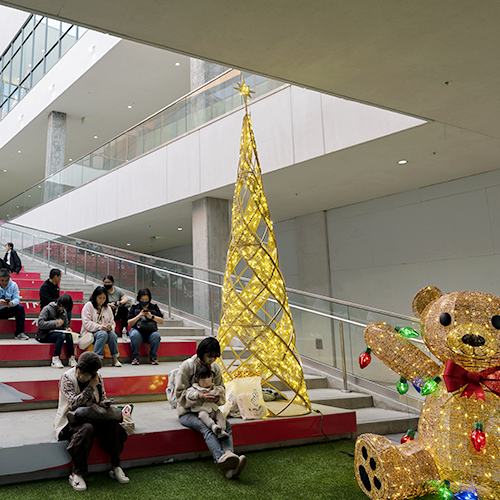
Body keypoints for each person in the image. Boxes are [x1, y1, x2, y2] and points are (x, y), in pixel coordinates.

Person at [53, 351, 130, 491]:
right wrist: (90, 387)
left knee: (115, 428)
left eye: (86, 374)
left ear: (93, 373)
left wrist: (104, 404)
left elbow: (101, 398)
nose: (80, 376)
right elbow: (72, 404)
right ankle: (76, 473)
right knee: (86, 429)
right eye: (79, 371)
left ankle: (115, 467)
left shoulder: (97, 378)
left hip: (93, 416)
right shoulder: (67, 377)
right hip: (70, 420)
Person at [176, 337, 247, 480]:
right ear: (201, 353)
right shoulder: (187, 366)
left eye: (215, 357)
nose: (212, 360)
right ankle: (222, 460)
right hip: (188, 412)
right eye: (209, 356)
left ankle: (229, 456)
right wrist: (200, 396)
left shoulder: (215, 368)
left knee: (225, 424)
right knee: (206, 427)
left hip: (210, 408)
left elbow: (221, 387)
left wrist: (218, 394)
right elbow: (179, 394)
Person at [81, 286, 122, 367]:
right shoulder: (88, 306)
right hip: (91, 332)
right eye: (99, 298)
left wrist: (110, 327)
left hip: (105, 331)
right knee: (102, 334)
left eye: (104, 298)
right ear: (95, 297)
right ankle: (97, 359)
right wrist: (100, 327)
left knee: (112, 335)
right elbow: (86, 323)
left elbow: (112, 322)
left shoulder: (107, 308)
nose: (102, 300)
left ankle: (115, 358)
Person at [186, 363, 229, 440]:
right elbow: (189, 394)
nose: (206, 381)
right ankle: (213, 426)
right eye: (203, 380)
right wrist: (199, 395)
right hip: (203, 410)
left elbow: (221, 389)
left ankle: (221, 430)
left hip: (214, 410)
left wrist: (219, 392)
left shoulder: (213, 387)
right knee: (203, 415)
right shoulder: (195, 388)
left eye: (208, 378)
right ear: (197, 379)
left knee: (221, 416)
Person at [36, 294, 76, 369]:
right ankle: (55, 358)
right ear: (60, 303)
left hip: (57, 332)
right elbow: (40, 324)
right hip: (45, 333)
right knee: (61, 335)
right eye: (63, 307)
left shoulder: (63, 311)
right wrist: (55, 323)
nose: (64, 309)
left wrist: (67, 329)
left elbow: (65, 325)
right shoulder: (47, 309)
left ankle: (71, 357)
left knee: (69, 335)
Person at [127, 288, 163, 365]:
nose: (144, 301)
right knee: (135, 335)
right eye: (142, 299)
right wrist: (139, 316)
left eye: (146, 299)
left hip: (151, 332)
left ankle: (153, 357)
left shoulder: (154, 307)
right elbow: (129, 323)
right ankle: (135, 357)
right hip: (138, 331)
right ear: (139, 299)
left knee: (156, 335)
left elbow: (161, 321)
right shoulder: (134, 307)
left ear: (149, 299)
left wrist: (151, 317)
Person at [0, 268, 28, 340]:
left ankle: (19, 333)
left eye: (6, 280)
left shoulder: (13, 285)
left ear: (9, 278)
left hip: (7, 309)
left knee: (20, 308)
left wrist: (12, 303)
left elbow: (17, 298)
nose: (4, 283)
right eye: (2, 280)